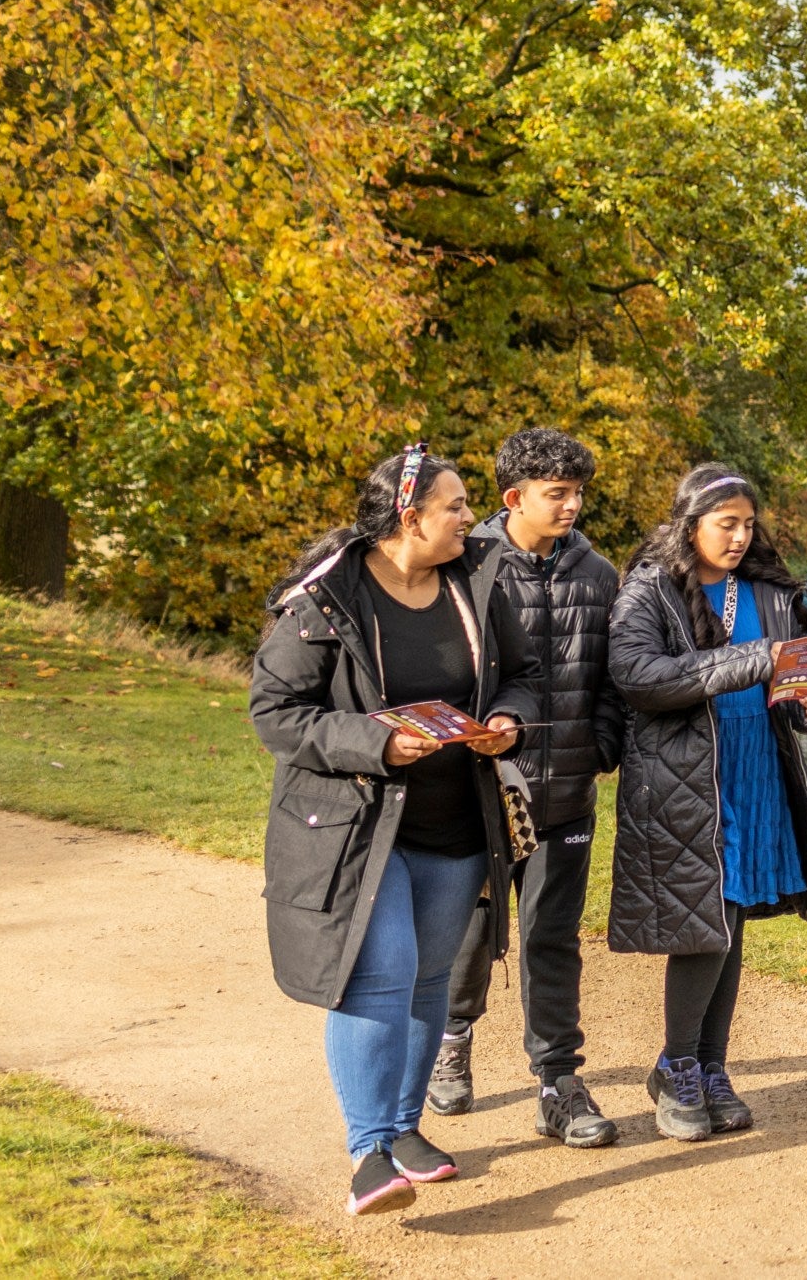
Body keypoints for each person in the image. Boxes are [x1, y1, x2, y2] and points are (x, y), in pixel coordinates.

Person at [250, 445, 545, 1217]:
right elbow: (276, 714)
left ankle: (405, 1130)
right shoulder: (326, 598)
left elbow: (521, 672)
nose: (468, 518)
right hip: (357, 830)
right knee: (376, 980)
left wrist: (508, 720)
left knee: (428, 984)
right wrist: (374, 742)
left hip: (457, 823)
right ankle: (368, 1152)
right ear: (409, 518)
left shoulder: (477, 581)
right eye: (455, 506)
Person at [606, 464, 807, 1141]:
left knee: (729, 919)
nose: (740, 537)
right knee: (707, 922)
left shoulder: (768, 592)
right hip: (686, 778)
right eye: (725, 524)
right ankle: (675, 1065)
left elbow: (793, 696)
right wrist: (753, 661)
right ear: (690, 524)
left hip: (756, 769)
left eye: (748, 524)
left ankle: (711, 1067)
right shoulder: (649, 588)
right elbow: (638, 676)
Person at [425, 427, 626, 1147]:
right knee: (473, 930)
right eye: (557, 494)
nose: (572, 505)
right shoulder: (466, 569)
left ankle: (557, 1080)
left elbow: (615, 678)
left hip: (567, 791)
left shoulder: (600, 576)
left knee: (552, 936)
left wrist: (601, 746)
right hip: (480, 794)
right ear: (515, 498)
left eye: (578, 493)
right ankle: (453, 1036)